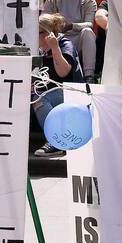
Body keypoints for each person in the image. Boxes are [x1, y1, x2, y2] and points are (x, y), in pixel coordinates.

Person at [32, 13, 86, 158]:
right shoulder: (38, 49)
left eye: (38, 33)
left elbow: (62, 73)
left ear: (47, 33)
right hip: (53, 93)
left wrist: (55, 48)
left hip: (72, 93)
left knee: (39, 99)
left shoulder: (64, 44)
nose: (34, 36)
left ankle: (57, 141)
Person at [43, 0, 99, 80]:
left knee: (88, 32)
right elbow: (43, 22)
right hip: (58, 40)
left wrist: (71, 26)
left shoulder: (88, 0)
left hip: (78, 41)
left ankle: (89, 76)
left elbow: (89, 24)